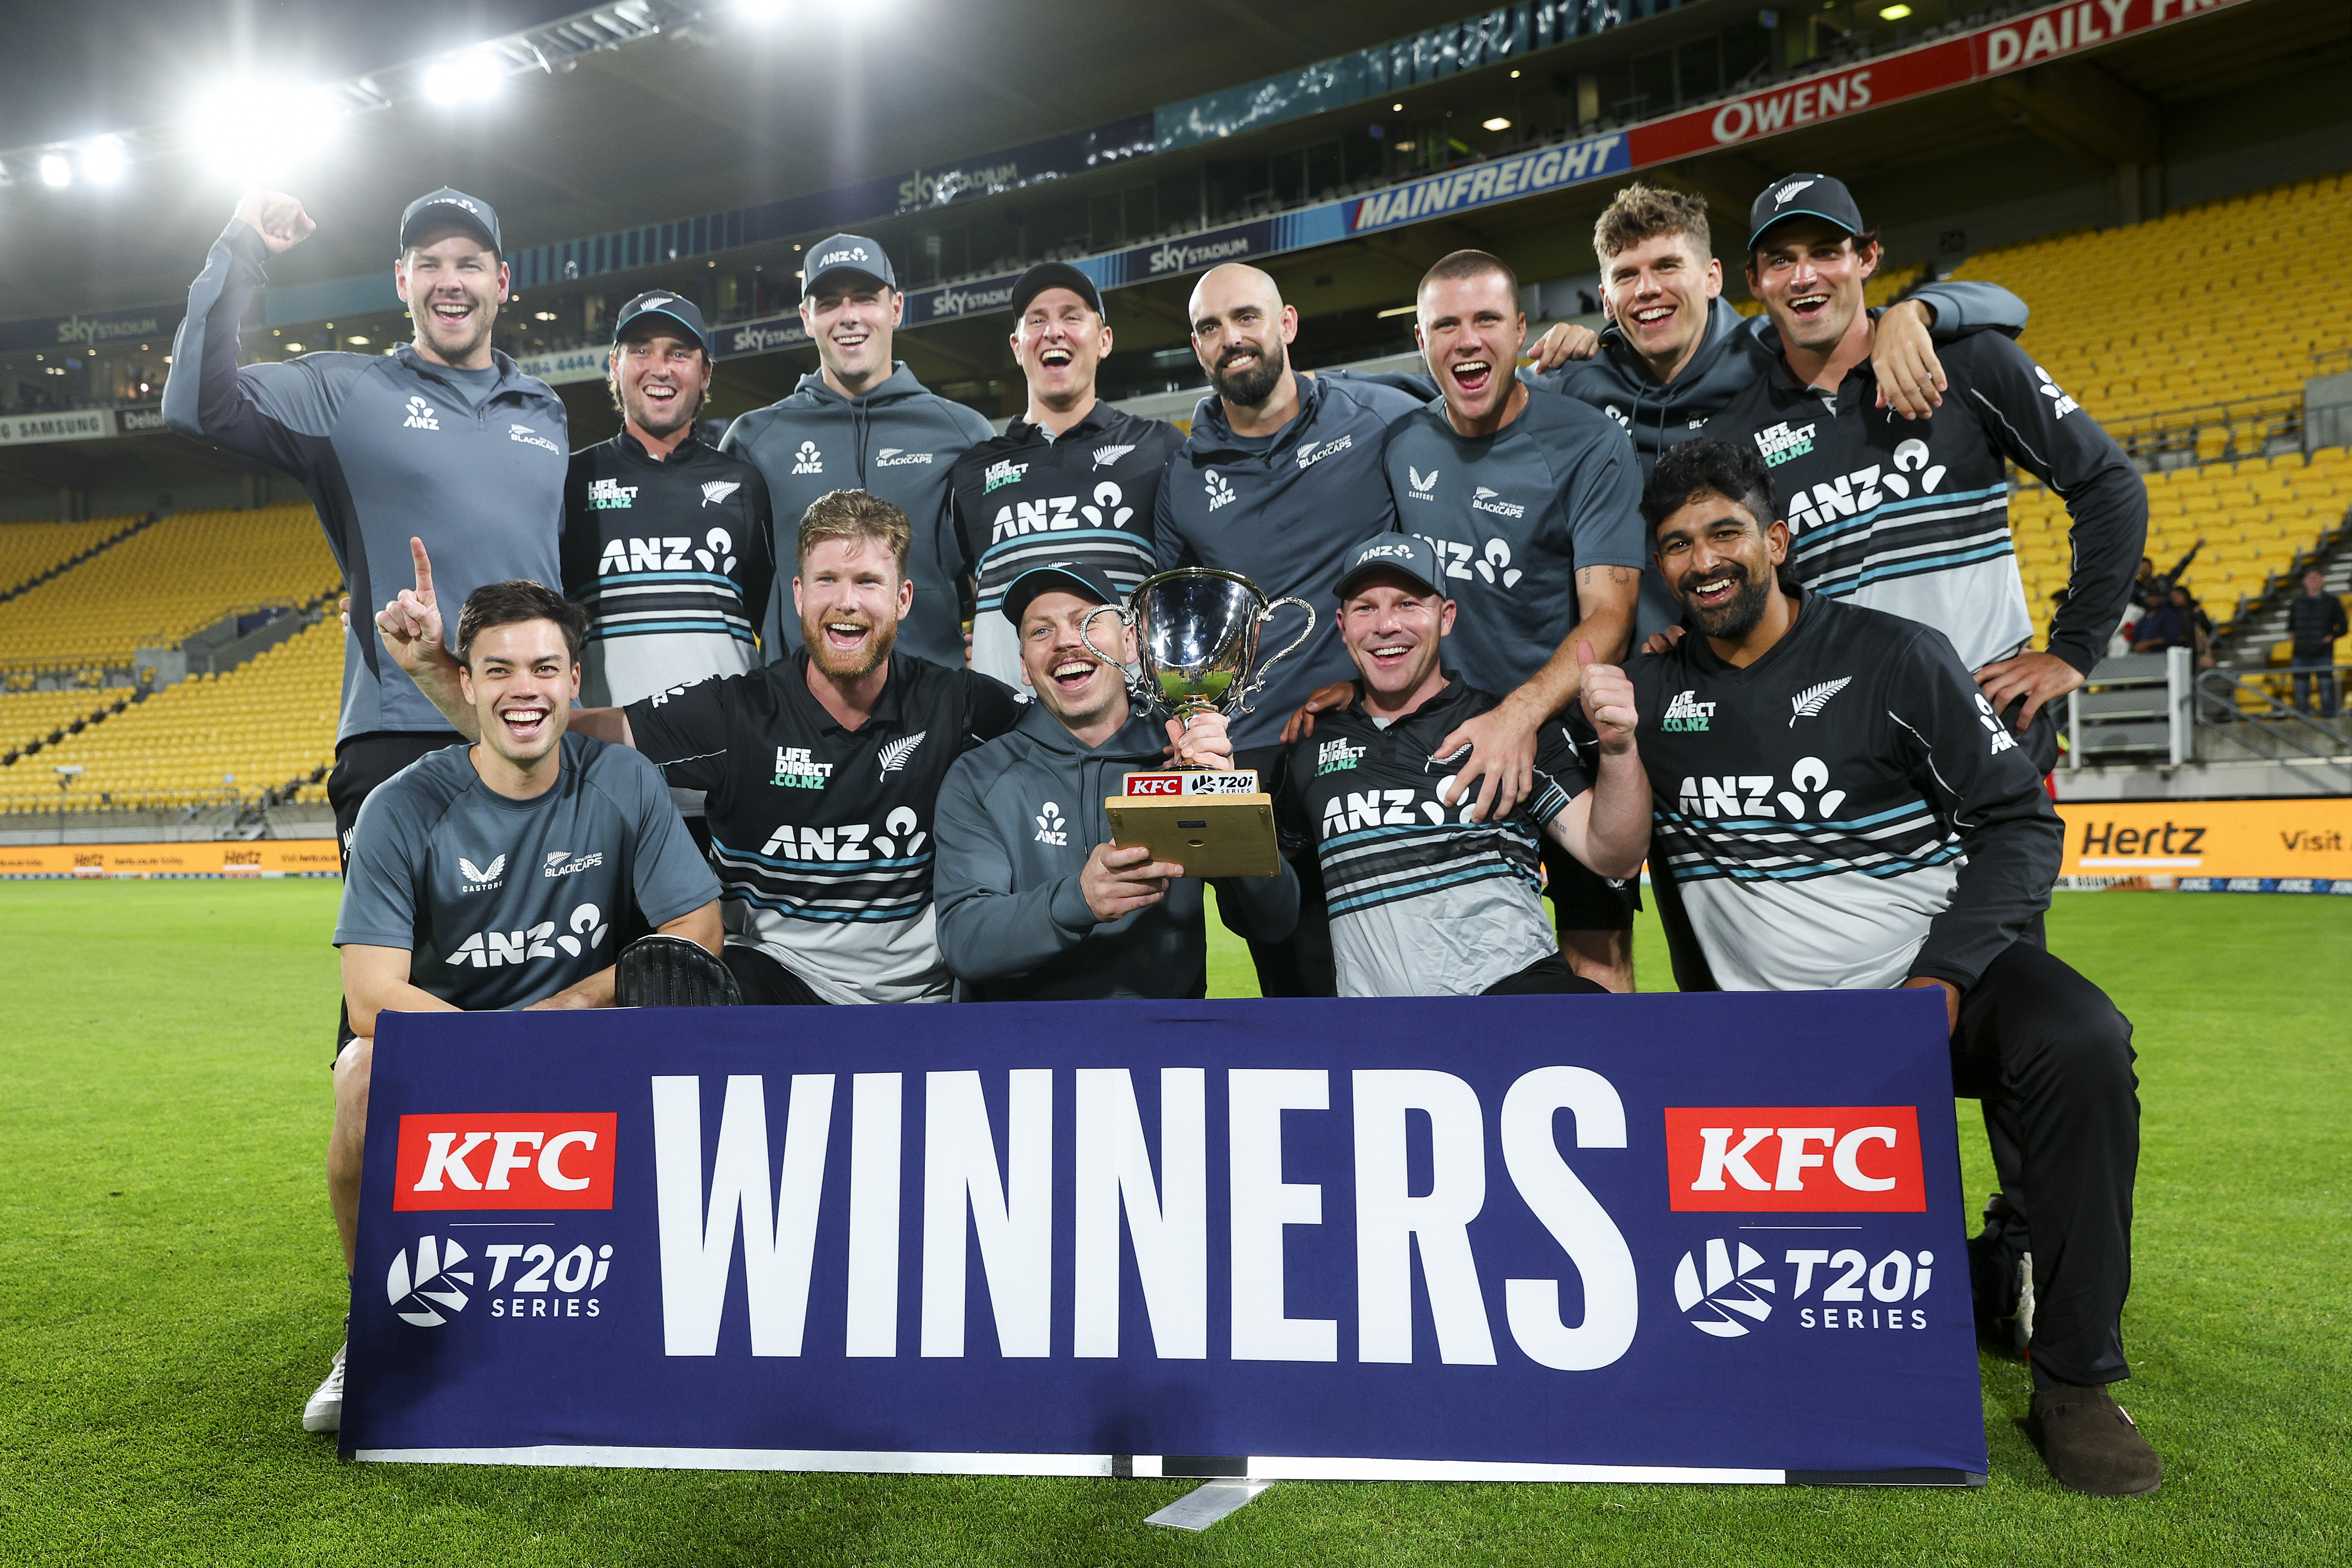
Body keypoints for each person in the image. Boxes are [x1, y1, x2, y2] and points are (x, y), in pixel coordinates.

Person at [1579, 437, 2153, 1497]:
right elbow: (1595, 843)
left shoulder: (1896, 656)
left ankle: (2074, 1378)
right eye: (1674, 545)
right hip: (1769, 1035)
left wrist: (1937, 983)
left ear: (1777, 542)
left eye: (1723, 533)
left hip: (1922, 993)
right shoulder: (1646, 694)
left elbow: (2020, 824)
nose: (1701, 560)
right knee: (1808, 1340)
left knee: (2078, 1041)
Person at [164, 186, 570, 1049]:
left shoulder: (547, 411)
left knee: (531, 973)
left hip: (527, 732)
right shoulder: (344, 390)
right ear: (401, 281)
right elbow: (197, 405)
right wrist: (243, 250)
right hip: (400, 731)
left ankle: (522, 1182)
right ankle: (376, 1180)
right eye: (429, 265)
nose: (449, 281)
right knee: (392, 998)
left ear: (504, 281)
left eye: (468, 263)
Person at [317, 580, 723, 1434]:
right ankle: (376, 1327)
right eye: (498, 670)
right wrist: (494, 1050)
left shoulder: (622, 779)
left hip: (588, 1050)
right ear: (464, 684)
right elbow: (371, 998)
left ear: (576, 681)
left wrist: (579, 1001)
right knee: (359, 1082)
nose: (523, 688)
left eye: (545, 667)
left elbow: (697, 928)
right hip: (453, 1052)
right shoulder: (401, 808)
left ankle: (663, 1320)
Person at [378, 491, 1021, 1006]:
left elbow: (1067, 741)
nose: (845, 602)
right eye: (826, 580)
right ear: (798, 596)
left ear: (903, 599)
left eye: (868, 582)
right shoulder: (735, 711)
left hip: (929, 1000)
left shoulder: (961, 705)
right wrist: (437, 669)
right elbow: (544, 732)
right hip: (776, 984)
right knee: (681, 985)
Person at [1704, 173, 2146, 775]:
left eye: (1826, 253)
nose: (1804, 276)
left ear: (1867, 258)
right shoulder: (1734, 437)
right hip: (1845, 761)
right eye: (1781, 261)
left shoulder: (1969, 362)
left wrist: (2073, 650)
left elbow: (2109, 485)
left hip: (1991, 745)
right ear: (1755, 282)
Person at [1375, 248, 1649, 989]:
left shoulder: (1588, 441)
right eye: (1446, 325)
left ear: (1521, 331)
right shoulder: (1401, 446)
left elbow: (1611, 616)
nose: (1467, 340)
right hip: (1448, 750)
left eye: (1487, 320)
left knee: (1596, 964)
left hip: (1561, 737)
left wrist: (1519, 715)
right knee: (1453, 960)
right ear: (1422, 344)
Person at [1154, 262, 1425, 996]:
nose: (1230, 338)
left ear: (1287, 324)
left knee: (1404, 973)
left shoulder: (1381, 414)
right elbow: (1171, 630)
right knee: (1291, 982)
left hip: (1370, 745)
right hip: (1253, 764)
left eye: (1246, 317)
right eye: (1210, 327)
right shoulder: (1182, 477)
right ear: (1196, 345)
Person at [1271, 534, 1647, 998]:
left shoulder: (1509, 728)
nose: (1386, 625)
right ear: (1343, 625)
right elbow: (1268, 872)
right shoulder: (1310, 745)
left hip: (1512, 1003)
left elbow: (1616, 856)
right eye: (1365, 608)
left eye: (1409, 604)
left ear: (1445, 618)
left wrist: (1618, 751)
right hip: (1382, 1036)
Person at [933, 562, 1298, 998]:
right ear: (1025, 668)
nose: (1067, 641)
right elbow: (966, 943)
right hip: (1025, 1054)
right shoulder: (980, 775)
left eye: (1087, 622)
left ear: (1131, 643)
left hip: (1159, 1051)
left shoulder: (1179, 760)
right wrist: (1080, 900)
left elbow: (1275, 922)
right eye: (1040, 632)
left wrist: (1230, 804)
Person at [561, 290, 776, 848]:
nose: (660, 368)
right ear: (615, 366)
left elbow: (770, 625)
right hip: (608, 780)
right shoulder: (570, 481)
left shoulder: (745, 484)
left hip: (728, 783)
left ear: (706, 373)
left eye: (679, 353)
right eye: (641, 350)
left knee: (724, 939)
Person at [720, 235, 992, 667]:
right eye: (829, 303)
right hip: (799, 705)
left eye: (865, 299)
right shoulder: (755, 439)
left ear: (896, 309)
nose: (848, 317)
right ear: (807, 318)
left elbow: (994, 569)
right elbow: (736, 588)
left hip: (934, 697)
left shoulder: (961, 431)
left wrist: (999, 643)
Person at [948, 263, 1187, 689]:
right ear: (1017, 346)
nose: (1054, 331)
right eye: (1037, 320)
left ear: (1105, 340)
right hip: (1008, 734)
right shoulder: (971, 471)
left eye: (1072, 316)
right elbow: (962, 587)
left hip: (1133, 727)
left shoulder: (1160, 447)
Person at [2286, 566, 2347, 716]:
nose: (2313, 582)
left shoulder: (2332, 602)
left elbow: (2343, 627)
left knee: (2326, 692)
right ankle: (2303, 725)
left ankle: (2330, 724)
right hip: (2301, 654)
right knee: (2301, 694)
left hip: (2323, 654)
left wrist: (2330, 637)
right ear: (2304, 582)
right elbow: (2291, 627)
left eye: (2316, 578)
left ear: (2323, 581)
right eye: (2310, 578)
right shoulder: (2297, 603)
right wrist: (2297, 639)